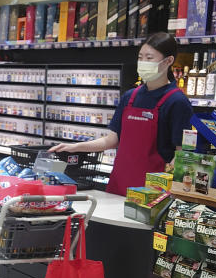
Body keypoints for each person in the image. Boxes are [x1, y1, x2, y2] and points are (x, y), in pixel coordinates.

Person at [50, 32, 193, 195]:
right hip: (119, 184)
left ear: (168, 61)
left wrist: (166, 189)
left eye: (149, 58)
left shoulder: (177, 102)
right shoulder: (130, 97)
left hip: (151, 194)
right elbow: (111, 140)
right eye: (140, 57)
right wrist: (75, 147)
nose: (143, 62)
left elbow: (182, 154)